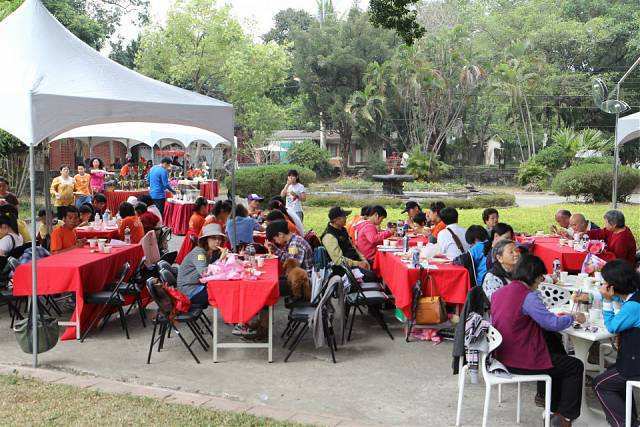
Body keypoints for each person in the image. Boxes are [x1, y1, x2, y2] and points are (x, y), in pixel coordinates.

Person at [491, 254, 585, 427]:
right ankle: (565, 417)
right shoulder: (528, 296)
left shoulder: (499, 292)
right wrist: (572, 317)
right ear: (533, 275)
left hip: (501, 355)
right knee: (574, 366)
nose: (542, 280)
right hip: (518, 359)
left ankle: (551, 406)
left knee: (554, 348)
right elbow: (552, 323)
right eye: (541, 276)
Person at [593, 260, 640, 426]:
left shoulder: (633, 306)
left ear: (613, 285)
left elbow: (612, 327)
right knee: (612, 375)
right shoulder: (635, 295)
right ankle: (630, 420)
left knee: (600, 384)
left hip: (635, 364)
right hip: (633, 358)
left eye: (606, 282)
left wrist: (607, 301)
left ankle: (624, 424)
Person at [177, 223, 228, 306]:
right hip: (189, 290)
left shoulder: (211, 252)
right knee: (223, 295)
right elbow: (205, 273)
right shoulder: (199, 253)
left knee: (224, 291)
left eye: (219, 238)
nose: (217, 241)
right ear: (206, 239)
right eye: (214, 238)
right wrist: (221, 260)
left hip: (198, 285)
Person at [321, 207, 371, 271]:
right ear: (337, 220)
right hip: (344, 269)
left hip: (355, 261)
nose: (346, 218)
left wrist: (363, 260)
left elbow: (353, 246)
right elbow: (338, 260)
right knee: (372, 275)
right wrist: (358, 263)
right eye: (345, 216)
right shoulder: (329, 236)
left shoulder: (342, 229)